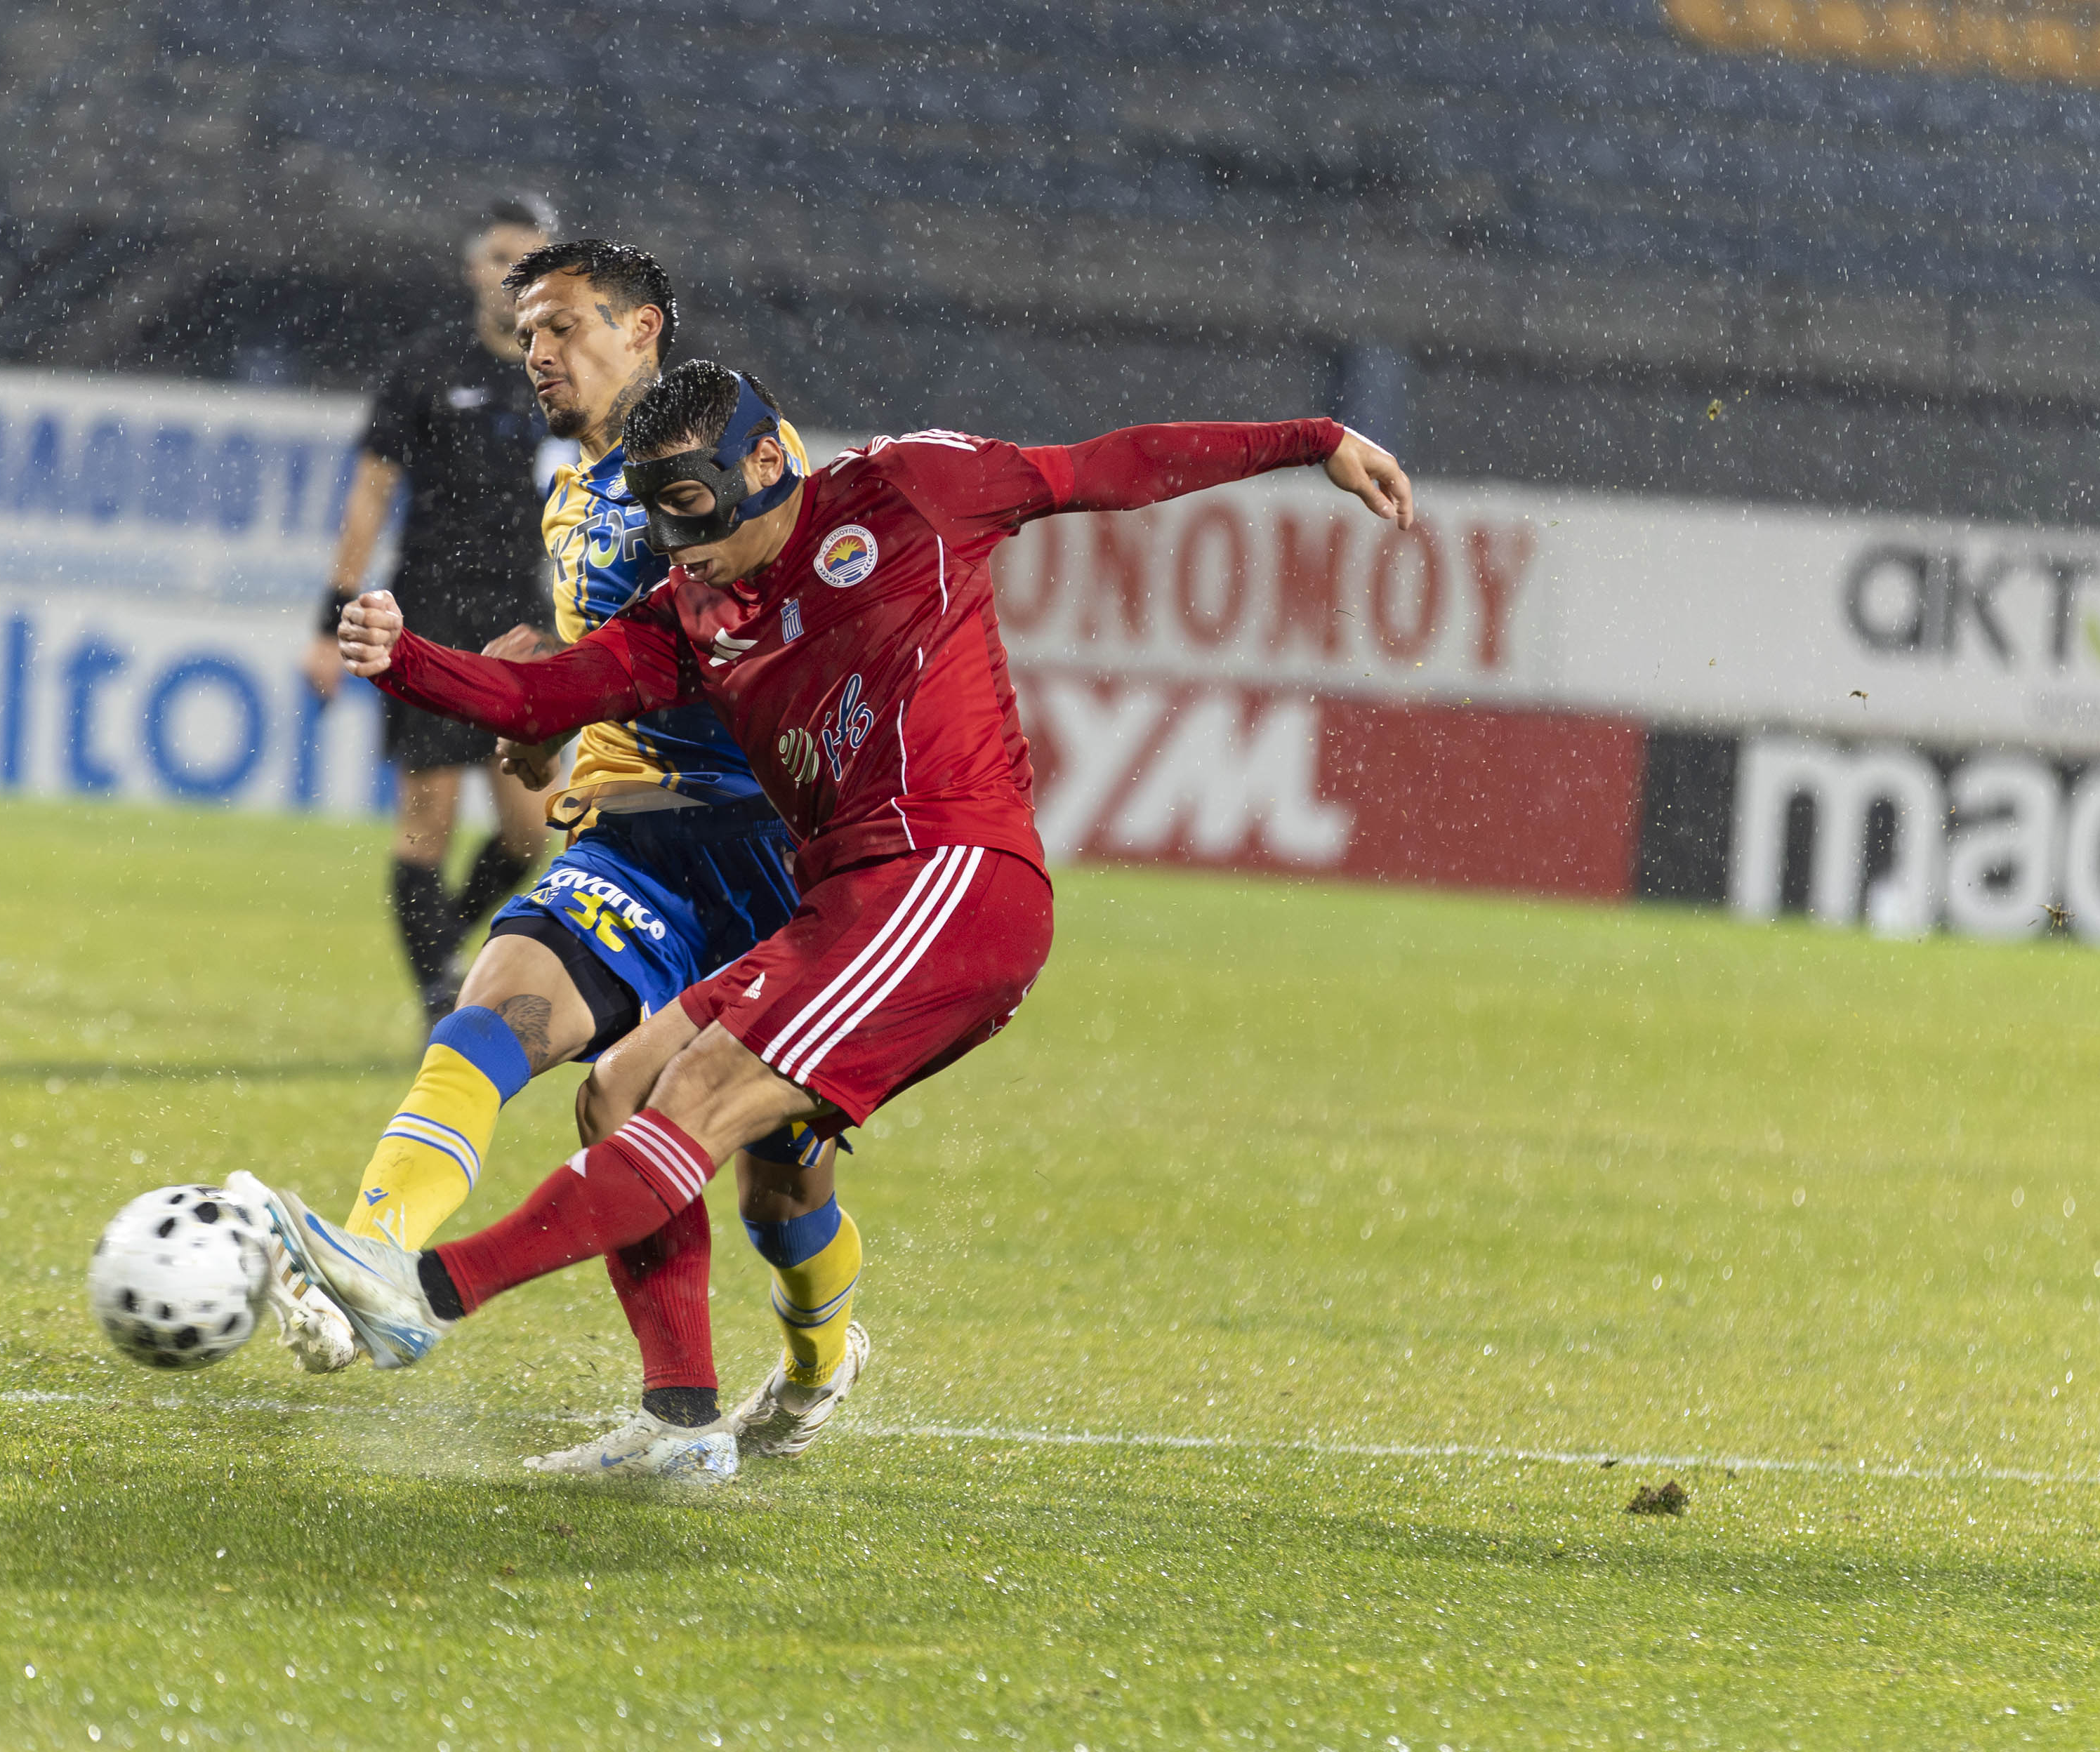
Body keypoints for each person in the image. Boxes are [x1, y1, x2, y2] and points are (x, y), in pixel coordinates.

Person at [273, 361, 1414, 1478]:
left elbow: (1105, 467)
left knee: (698, 1100)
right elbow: (542, 698)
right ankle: (683, 1424)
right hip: (843, 901)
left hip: (953, 878)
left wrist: (1311, 439)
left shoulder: (909, 488)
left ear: (765, 461)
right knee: (622, 1092)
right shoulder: (689, 612)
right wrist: (401, 660)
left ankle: (422, 1293)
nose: (680, 541)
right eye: (659, 515)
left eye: (693, 504)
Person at [274, 246, 866, 1485]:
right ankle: (380, 1259)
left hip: (779, 861)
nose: (534, 351)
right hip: (637, 847)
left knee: (780, 1194)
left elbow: (772, 646)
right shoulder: (573, 499)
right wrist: (540, 717)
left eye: (561, 327)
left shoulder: (740, 461)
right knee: (507, 1017)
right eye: (525, 329)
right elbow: (595, 684)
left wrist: (548, 684)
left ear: (642, 329)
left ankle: (817, 1362)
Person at [306, 196, 560, 1023]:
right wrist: (328, 625)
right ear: (473, 269)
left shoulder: (566, 378)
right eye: (501, 257)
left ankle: (440, 947)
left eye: (532, 260)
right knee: (428, 819)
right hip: (432, 616)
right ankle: (439, 997)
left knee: (530, 831)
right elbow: (370, 495)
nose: (514, 274)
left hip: (522, 621)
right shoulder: (426, 368)